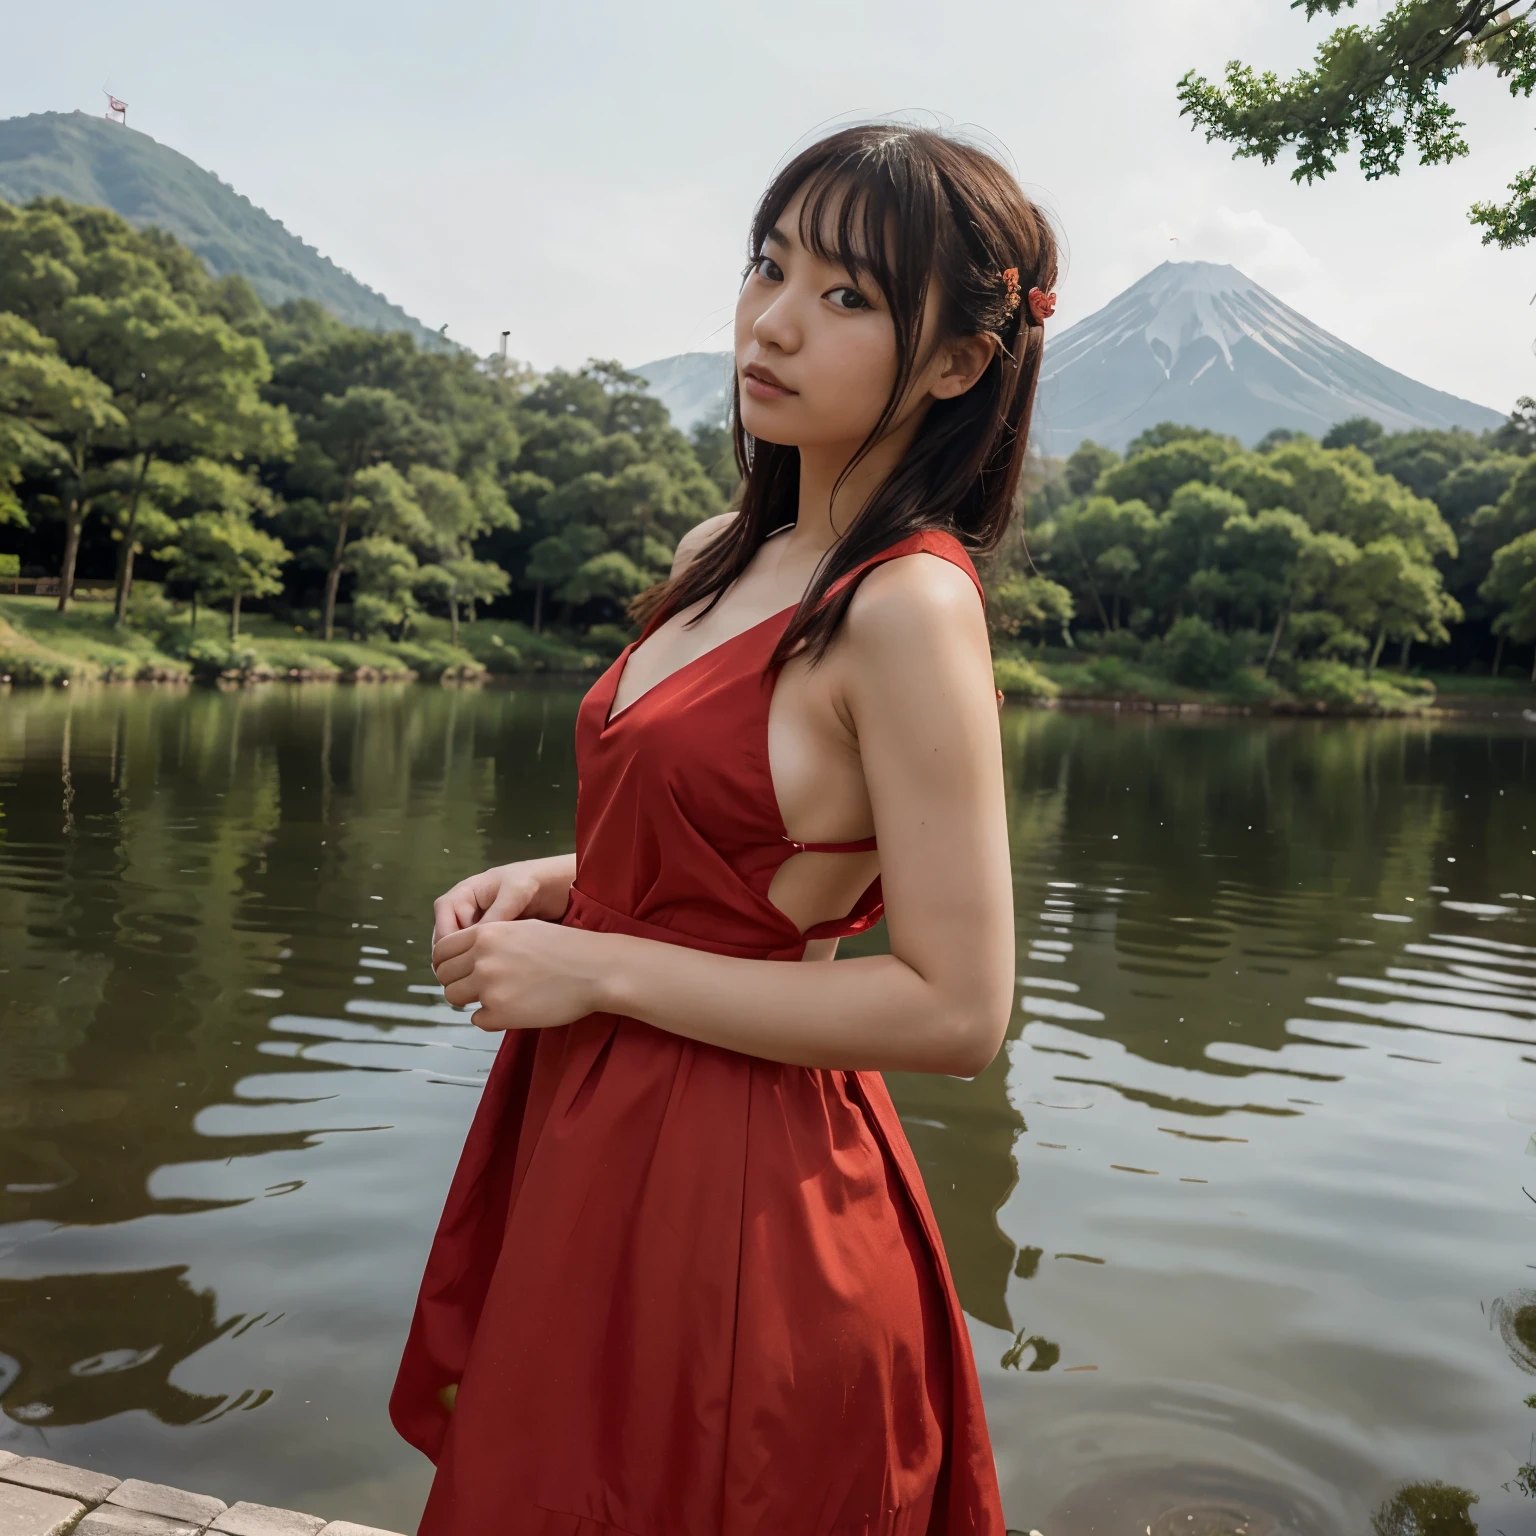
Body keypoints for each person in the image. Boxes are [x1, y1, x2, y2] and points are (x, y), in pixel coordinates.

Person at [391, 122, 1060, 1535]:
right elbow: (741, 843)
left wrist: (602, 971)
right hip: (589, 1123)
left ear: (954, 364)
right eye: (770, 265)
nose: (772, 321)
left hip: (743, 1180)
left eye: (847, 296)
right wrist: (570, 883)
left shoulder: (907, 607)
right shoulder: (722, 551)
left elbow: (957, 1007)